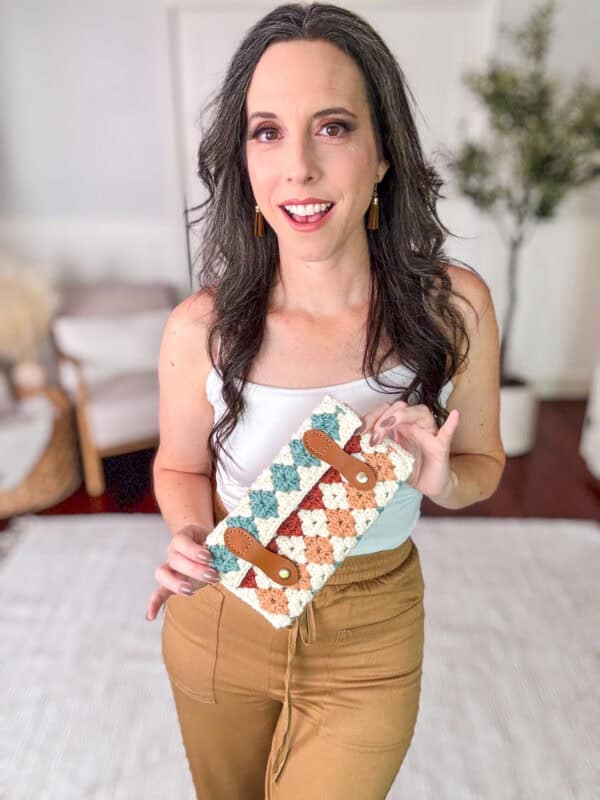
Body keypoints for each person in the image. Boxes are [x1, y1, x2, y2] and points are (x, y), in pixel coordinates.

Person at [145, 3, 505, 798]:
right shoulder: (199, 329)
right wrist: (189, 532)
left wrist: (439, 479)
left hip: (369, 634)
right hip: (222, 618)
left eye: (333, 126)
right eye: (266, 131)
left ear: (384, 153)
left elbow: (482, 462)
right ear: (241, 158)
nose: (297, 168)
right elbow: (177, 466)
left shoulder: (456, 308)